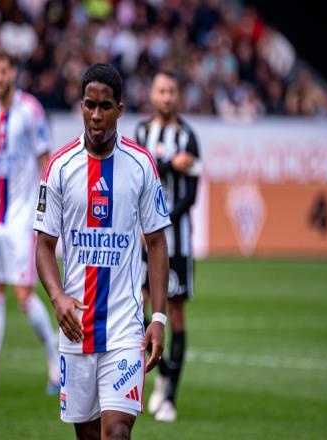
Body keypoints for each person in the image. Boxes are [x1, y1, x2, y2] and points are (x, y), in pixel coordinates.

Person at [34, 63, 170, 440]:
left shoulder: (141, 165)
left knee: (118, 431)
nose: (96, 115)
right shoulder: (59, 167)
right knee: (89, 435)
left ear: (120, 110)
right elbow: (43, 245)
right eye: (90, 105)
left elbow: (157, 242)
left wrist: (158, 316)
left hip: (125, 326)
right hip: (76, 327)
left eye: (105, 106)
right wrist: (57, 297)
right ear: (81, 106)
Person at [0, 49, 61, 396]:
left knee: (23, 295)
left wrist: (48, 213)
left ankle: (56, 366)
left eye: (4, 71)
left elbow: (47, 163)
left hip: (23, 218)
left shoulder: (30, 111)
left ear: (13, 73)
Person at [135, 70, 201, 422]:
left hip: (176, 243)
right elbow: (137, 177)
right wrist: (169, 164)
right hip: (142, 242)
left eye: (172, 91)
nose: (166, 97)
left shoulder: (188, 137)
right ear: (152, 94)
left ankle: (170, 396)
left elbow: (190, 197)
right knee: (139, 306)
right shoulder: (141, 134)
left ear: (178, 95)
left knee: (175, 313)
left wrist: (161, 222)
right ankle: (162, 372)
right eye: (161, 90)